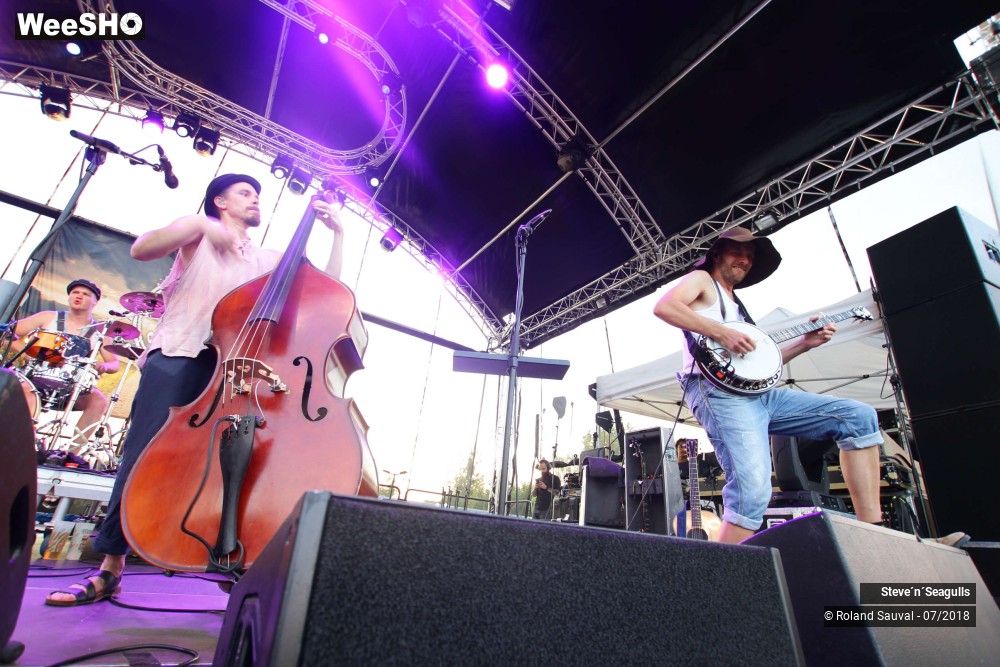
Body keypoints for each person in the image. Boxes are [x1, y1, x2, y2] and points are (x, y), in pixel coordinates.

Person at [46, 173, 344, 606]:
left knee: (237, 464)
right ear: (219, 201)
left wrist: (338, 235)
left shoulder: (266, 258)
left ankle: (232, 560)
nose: (254, 199)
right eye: (245, 193)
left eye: (257, 195)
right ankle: (111, 566)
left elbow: (326, 289)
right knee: (144, 453)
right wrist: (203, 226)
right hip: (182, 353)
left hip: (235, 370)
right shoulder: (198, 232)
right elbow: (142, 248)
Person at [652, 227, 890, 545]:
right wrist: (721, 333)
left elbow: (759, 366)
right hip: (718, 394)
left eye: (750, 256)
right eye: (738, 252)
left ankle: (876, 536)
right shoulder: (702, 281)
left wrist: (805, 344)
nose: (745, 260)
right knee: (752, 492)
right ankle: (720, 585)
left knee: (857, 417)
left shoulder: (739, 308)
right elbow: (664, 307)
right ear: (718, 254)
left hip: (760, 395)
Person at [12, 278, 120, 455]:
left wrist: (104, 366)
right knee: (22, 392)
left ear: (95, 302)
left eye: (85, 294)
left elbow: (114, 363)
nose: (79, 296)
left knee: (99, 400)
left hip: (73, 386)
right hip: (34, 379)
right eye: (75, 293)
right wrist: (24, 352)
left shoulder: (100, 331)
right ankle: (20, 446)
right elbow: (8, 334)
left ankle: (71, 455)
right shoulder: (48, 317)